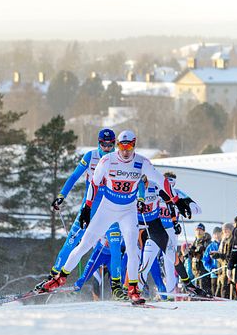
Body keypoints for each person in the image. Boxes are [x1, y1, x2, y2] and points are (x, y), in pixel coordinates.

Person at [40, 130, 190, 304]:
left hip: (128, 211)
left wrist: (177, 201)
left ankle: (133, 289)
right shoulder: (107, 160)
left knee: (133, 250)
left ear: (134, 145)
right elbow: (94, 184)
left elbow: (161, 181)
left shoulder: (141, 162)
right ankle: (59, 278)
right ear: (118, 145)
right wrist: (87, 208)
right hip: (107, 208)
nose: (125, 151)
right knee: (84, 244)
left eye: (129, 146)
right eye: (122, 146)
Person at [44, 129, 117, 294]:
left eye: (110, 144)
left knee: (116, 245)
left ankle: (123, 286)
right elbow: (73, 177)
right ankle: (54, 274)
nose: (106, 147)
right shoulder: (90, 156)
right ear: (98, 142)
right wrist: (61, 196)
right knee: (72, 240)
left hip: (110, 209)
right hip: (89, 208)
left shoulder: (118, 158)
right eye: (103, 144)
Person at [188, 223, 212, 292]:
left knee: (204, 289)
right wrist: (191, 252)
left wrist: (201, 252)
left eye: (200, 230)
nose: (198, 232)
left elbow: (208, 256)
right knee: (197, 290)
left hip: (204, 270)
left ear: (204, 231)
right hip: (196, 271)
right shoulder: (195, 242)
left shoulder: (207, 242)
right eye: (197, 230)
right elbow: (191, 257)